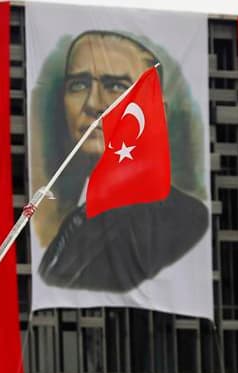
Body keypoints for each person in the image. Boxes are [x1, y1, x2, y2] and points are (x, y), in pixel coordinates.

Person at [34, 30, 209, 292]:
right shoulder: (72, 215)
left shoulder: (185, 218)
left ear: (157, 111)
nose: (93, 104)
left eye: (115, 86)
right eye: (79, 85)